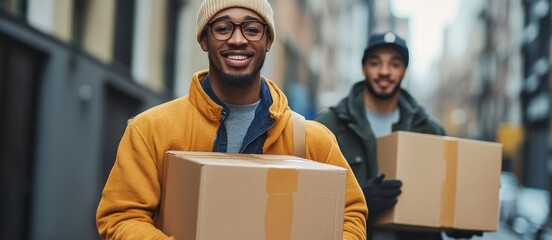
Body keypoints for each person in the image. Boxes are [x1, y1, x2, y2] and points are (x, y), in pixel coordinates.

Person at [95, 0, 367, 239]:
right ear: (204, 39)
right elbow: (121, 218)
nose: (238, 40)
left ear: (268, 41)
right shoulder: (152, 130)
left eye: (251, 29)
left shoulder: (312, 139)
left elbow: (350, 216)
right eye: (223, 28)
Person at [315, 32, 482, 240]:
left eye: (395, 64)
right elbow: (309, 204)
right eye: (375, 63)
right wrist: (359, 202)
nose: (385, 71)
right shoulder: (327, 127)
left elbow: (443, 207)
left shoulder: (431, 131)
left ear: (404, 70)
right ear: (363, 68)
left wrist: (460, 223)